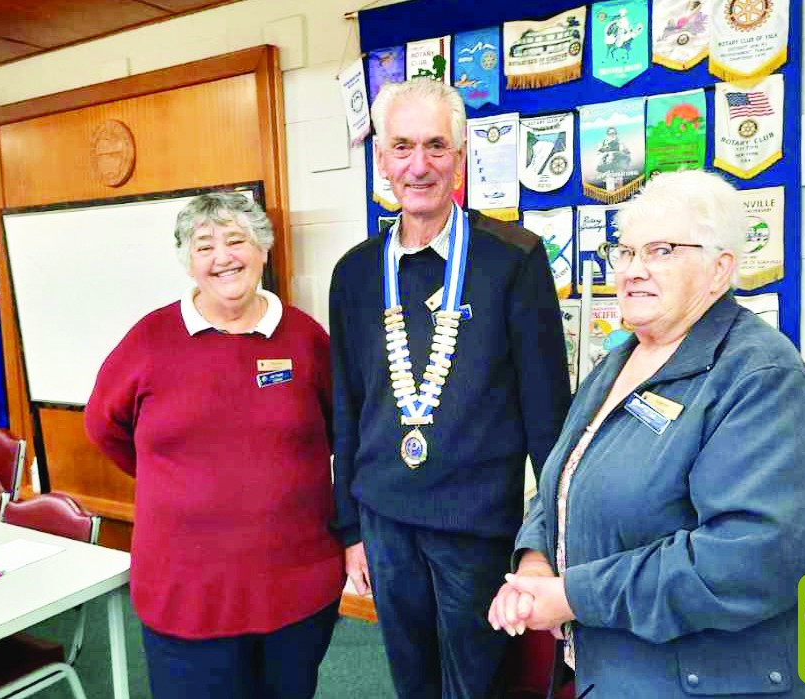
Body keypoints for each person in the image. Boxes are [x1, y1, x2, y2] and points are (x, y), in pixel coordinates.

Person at [489, 170, 805, 698]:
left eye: (660, 251)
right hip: (617, 671)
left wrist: (573, 596)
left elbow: (748, 560)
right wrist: (535, 561)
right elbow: (564, 478)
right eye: (625, 252)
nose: (633, 271)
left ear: (719, 270)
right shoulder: (617, 362)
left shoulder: (762, 377)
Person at [329, 78, 571, 699]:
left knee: (478, 684)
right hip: (384, 521)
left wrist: (552, 539)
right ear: (380, 158)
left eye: (437, 146)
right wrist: (351, 529)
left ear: (460, 159)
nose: (419, 165)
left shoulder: (512, 259)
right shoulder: (355, 273)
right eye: (402, 147)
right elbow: (347, 408)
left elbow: (549, 416)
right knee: (410, 679)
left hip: (477, 525)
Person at [84, 191, 344, 699]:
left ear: (262, 249)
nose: (223, 257)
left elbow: (339, 431)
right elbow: (103, 427)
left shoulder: (306, 338)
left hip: (295, 586)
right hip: (186, 593)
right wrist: (175, 481)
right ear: (189, 263)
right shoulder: (150, 339)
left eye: (236, 240)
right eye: (205, 246)